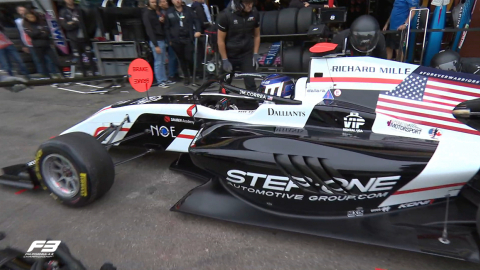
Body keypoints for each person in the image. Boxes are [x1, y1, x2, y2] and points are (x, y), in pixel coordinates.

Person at [216, 0, 260, 91]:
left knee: (251, 83)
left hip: (246, 53)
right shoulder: (225, 15)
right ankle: (222, 102)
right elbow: (220, 40)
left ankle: (252, 103)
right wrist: (225, 60)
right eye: (247, 3)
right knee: (225, 84)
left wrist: (255, 54)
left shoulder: (254, 13)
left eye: (251, 3)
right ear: (238, 3)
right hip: (229, 54)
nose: (250, 6)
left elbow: (257, 36)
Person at [165, 0, 202, 85]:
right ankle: (186, 77)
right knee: (181, 60)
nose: (177, 1)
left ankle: (193, 75)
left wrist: (198, 30)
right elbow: (166, 27)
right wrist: (169, 40)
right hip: (176, 40)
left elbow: (196, 21)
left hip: (188, 38)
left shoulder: (188, 10)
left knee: (189, 58)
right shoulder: (169, 12)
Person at [58, 0, 97, 77]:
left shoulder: (80, 9)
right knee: (79, 58)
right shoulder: (63, 11)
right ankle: (84, 76)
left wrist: (72, 22)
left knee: (90, 56)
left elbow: (87, 22)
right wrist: (76, 23)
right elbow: (66, 26)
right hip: (73, 39)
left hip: (84, 37)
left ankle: (94, 74)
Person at [143, 0, 175, 88]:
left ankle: (164, 79)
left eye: (155, 2)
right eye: (152, 2)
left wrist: (160, 21)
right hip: (156, 40)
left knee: (163, 61)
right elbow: (149, 30)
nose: (154, 4)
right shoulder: (147, 14)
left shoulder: (154, 12)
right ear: (148, 3)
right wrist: (155, 44)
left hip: (161, 38)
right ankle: (160, 81)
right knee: (158, 61)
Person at [23, 10, 62, 79]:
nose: (31, 18)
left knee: (54, 60)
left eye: (32, 16)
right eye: (29, 17)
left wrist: (38, 32)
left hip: (46, 44)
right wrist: (40, 31)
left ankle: (59, 73)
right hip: (37, 46)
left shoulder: (42, 22)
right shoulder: (27, 25)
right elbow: (32, 35)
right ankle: (47, 76)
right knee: (41, 61)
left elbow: (47, 33)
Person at [15, 5, 44, 75]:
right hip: (28, 42)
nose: (23, 12)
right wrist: (23, 45)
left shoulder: (33, 18)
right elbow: (20, 33)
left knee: (46, 58)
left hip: (39, 40)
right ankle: (42, 74)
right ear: (18, 12)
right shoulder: (18, 21)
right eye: (21, 10)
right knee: (37, 59)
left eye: (24, 10)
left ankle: (52, 73)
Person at [159, 0, 180, 82]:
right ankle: (171, 75)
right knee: (172, 56)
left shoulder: (169, 10)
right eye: (163, 2)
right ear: (160, 4)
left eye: (166, 1)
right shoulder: (161, 13)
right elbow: (166, 27)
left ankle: (175, 73)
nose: (166, 3)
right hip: (167, 37)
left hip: (173, 36)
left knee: (176, 56)